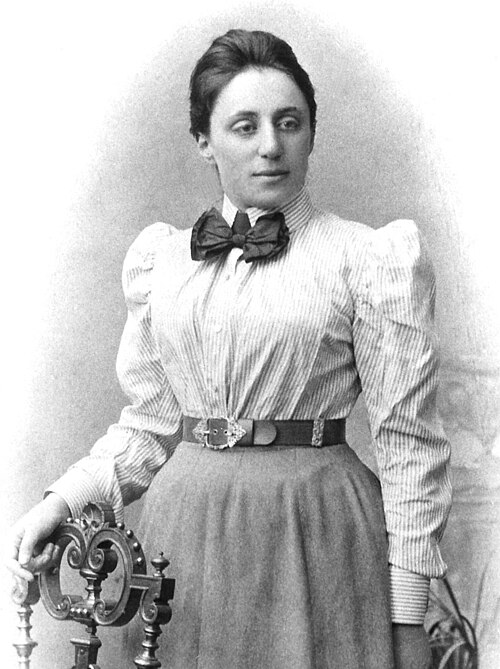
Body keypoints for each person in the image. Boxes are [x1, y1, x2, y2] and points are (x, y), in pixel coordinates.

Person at [8, 29, 451, 669]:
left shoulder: (367, 258)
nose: (271, 145)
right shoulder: (163, 262)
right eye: (245, 126)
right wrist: (61, 503)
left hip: (317, 531)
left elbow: (409, 447)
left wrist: (406, 619)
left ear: (311, 133)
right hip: (184, 536)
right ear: (204, 142)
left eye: (289, 123)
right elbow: (149, 428)